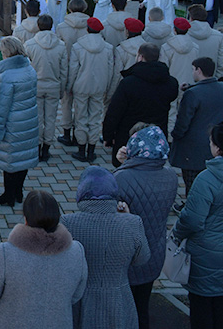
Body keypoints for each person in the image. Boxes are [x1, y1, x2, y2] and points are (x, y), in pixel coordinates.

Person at [0, 190, 88, 329]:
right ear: (57, 217)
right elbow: (76, 295)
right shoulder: (76, 251)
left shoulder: (7, 253)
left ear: (25, 219)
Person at [61, 166, 150, 329]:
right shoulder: (132, 222)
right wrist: (127, 217)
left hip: (80, 299)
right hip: (119, 299)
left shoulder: (67, 222)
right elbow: (142, 259)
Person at [114, 125, 178, 329]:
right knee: (142, 308)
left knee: (122, 309)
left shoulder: (121, 178)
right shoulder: (170, 177)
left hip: (127, 256)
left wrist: (123, 165)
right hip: (154, 254)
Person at [171, 122, 223, 329]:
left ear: (218, 148)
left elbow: (192, 220)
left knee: (202, 310)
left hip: (206, 255)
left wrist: (176, 234)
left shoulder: (207, 178)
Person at [104, 43, 178, 167]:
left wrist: (108, 135)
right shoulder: (171, 83)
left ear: (140, 57)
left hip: (128, 136)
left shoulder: (128, 83)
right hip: (156, 135)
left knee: (126, 169)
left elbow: (114, 112)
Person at [0, 36, 38, 207]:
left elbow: (1, 107)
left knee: (9, 161)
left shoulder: (7, 77)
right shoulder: (30, 69)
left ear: (7, 53)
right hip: (28, 122)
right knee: (22, 159)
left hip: (12, 125)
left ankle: (8, 195)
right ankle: (18, 192)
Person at [170, 57, 223, 210]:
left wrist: (175, 136)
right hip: (215, 143)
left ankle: (191, 208)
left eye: (193, 69)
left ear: (198, 70)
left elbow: (183, 122)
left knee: (191, 182)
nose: (192, 72)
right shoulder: (220, 87)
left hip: (192, 148)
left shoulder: (192, 94)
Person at [67, 17, 114, 163]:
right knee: (95, 117)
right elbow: (110, 69)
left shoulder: (78, 47)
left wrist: (69, 86)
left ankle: (81, 149)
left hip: (81, 86)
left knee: (81, 117)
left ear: (87, 29)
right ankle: (91, 149)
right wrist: (107, 86)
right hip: (99, 86)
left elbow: (74, 69)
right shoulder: (108, 48)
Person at [25, 14, 68, 163]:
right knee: (50, 119)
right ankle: (46, 148)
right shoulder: (61, 46)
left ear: (38, 26)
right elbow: (64, 70)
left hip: (36, 86)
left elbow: (27, 69)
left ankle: (36, 147)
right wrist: (62, 89)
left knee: (36, 118)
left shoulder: (30, 45)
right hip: (53, 86)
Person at [56, 0, 90, 146]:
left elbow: (59, 48)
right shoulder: (89, 25)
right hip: (85, 67)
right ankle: (80, 134)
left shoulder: (62, 26)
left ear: (69, 9)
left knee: (66, 102)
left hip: (67, 66)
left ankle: (66, 132)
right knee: (82, 103)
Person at [160, 17, 199, 130]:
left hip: (171, 83)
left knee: (171, 112)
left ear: (174, 30)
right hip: (189, 83)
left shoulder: (166, 48)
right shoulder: (195, 47)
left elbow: (164, 67)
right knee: (186, 112)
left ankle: (171, 138)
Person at [187, 4, 223, 77]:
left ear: (191, 18)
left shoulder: (183, 35)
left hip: (188, 80)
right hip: (209, 79)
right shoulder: (218, 36)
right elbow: (221, 62)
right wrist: (217, 78)